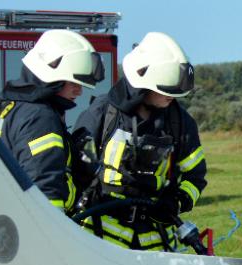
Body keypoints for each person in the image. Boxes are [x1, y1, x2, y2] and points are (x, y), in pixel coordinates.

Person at [72, 31, 204, 252]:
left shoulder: (179, 121)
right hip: (99, 239)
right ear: (141, 82)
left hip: (155, 243)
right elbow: (74, 169)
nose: (172, 96)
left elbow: (195, 176)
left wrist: (177, 200)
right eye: (165, 88)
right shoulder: (103, 114)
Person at [0, 29, 104, 213]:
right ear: (52, 77)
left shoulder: (10, 106)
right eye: (73, 83)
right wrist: (56, 226)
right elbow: (45, 187)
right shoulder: (40, 118)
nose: (79, 91)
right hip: (37, 224)